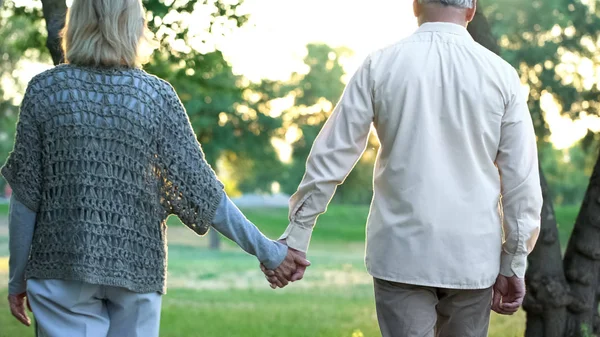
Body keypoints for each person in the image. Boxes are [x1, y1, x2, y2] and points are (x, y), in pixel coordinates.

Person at [2, 0, 309, 336]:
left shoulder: (45, 91)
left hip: (61, 268)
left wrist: (17, 279)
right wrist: (269, 252)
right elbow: (205, 194)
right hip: (137, 268)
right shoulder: (155, 96)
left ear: (75, 24)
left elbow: (26, 198)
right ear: (134, 25)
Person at [263, 0, 543, 336]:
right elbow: (521, 183)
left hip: (401, 255)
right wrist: (513, 262)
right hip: (473, 260)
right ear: (472, 8)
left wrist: (297, 235)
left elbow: (332, 154)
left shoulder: (379, 65)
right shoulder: (502, 77)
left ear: (416, 4)